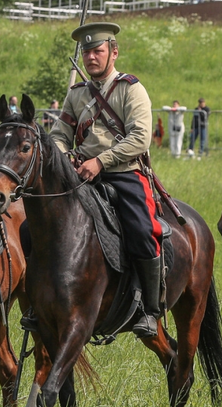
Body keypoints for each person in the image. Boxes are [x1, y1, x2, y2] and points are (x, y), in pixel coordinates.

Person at [50, 22, 162, 337]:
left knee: (142, 230)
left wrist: (101, 160)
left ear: (113, 52)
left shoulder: (131, 89)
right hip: (80, 174)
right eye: (86, 52)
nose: (91, 57)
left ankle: (150, 310)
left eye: (97, 51)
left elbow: (140, 138)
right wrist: (62, 157)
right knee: (36, 226)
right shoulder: (76, 94)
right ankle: (41, 301)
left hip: (124, 172)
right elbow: (60, 134)